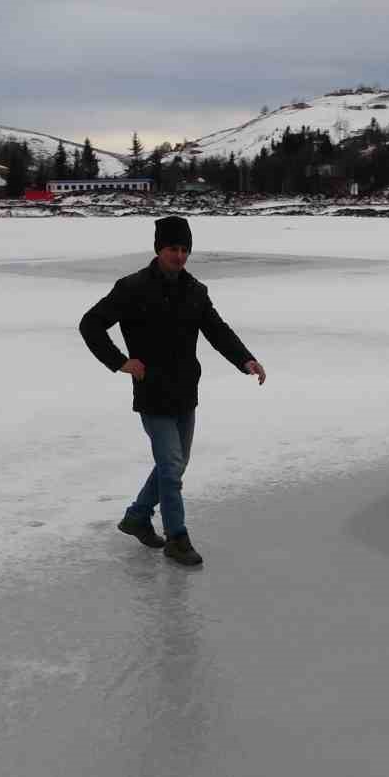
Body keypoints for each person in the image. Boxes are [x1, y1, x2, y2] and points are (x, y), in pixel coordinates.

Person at [79, 216, 266, 567]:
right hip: (152, 393)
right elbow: (90, 324)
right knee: (170, 466)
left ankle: (137, 516)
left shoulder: (195, 291)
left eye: (184, 249)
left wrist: (246, 360)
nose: (179, 256)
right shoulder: (132, 288)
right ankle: (177, 538)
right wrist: (120, 362)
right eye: (172, 249)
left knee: (174, 465)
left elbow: (217, 330)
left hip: (185, 392)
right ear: (158, 249)